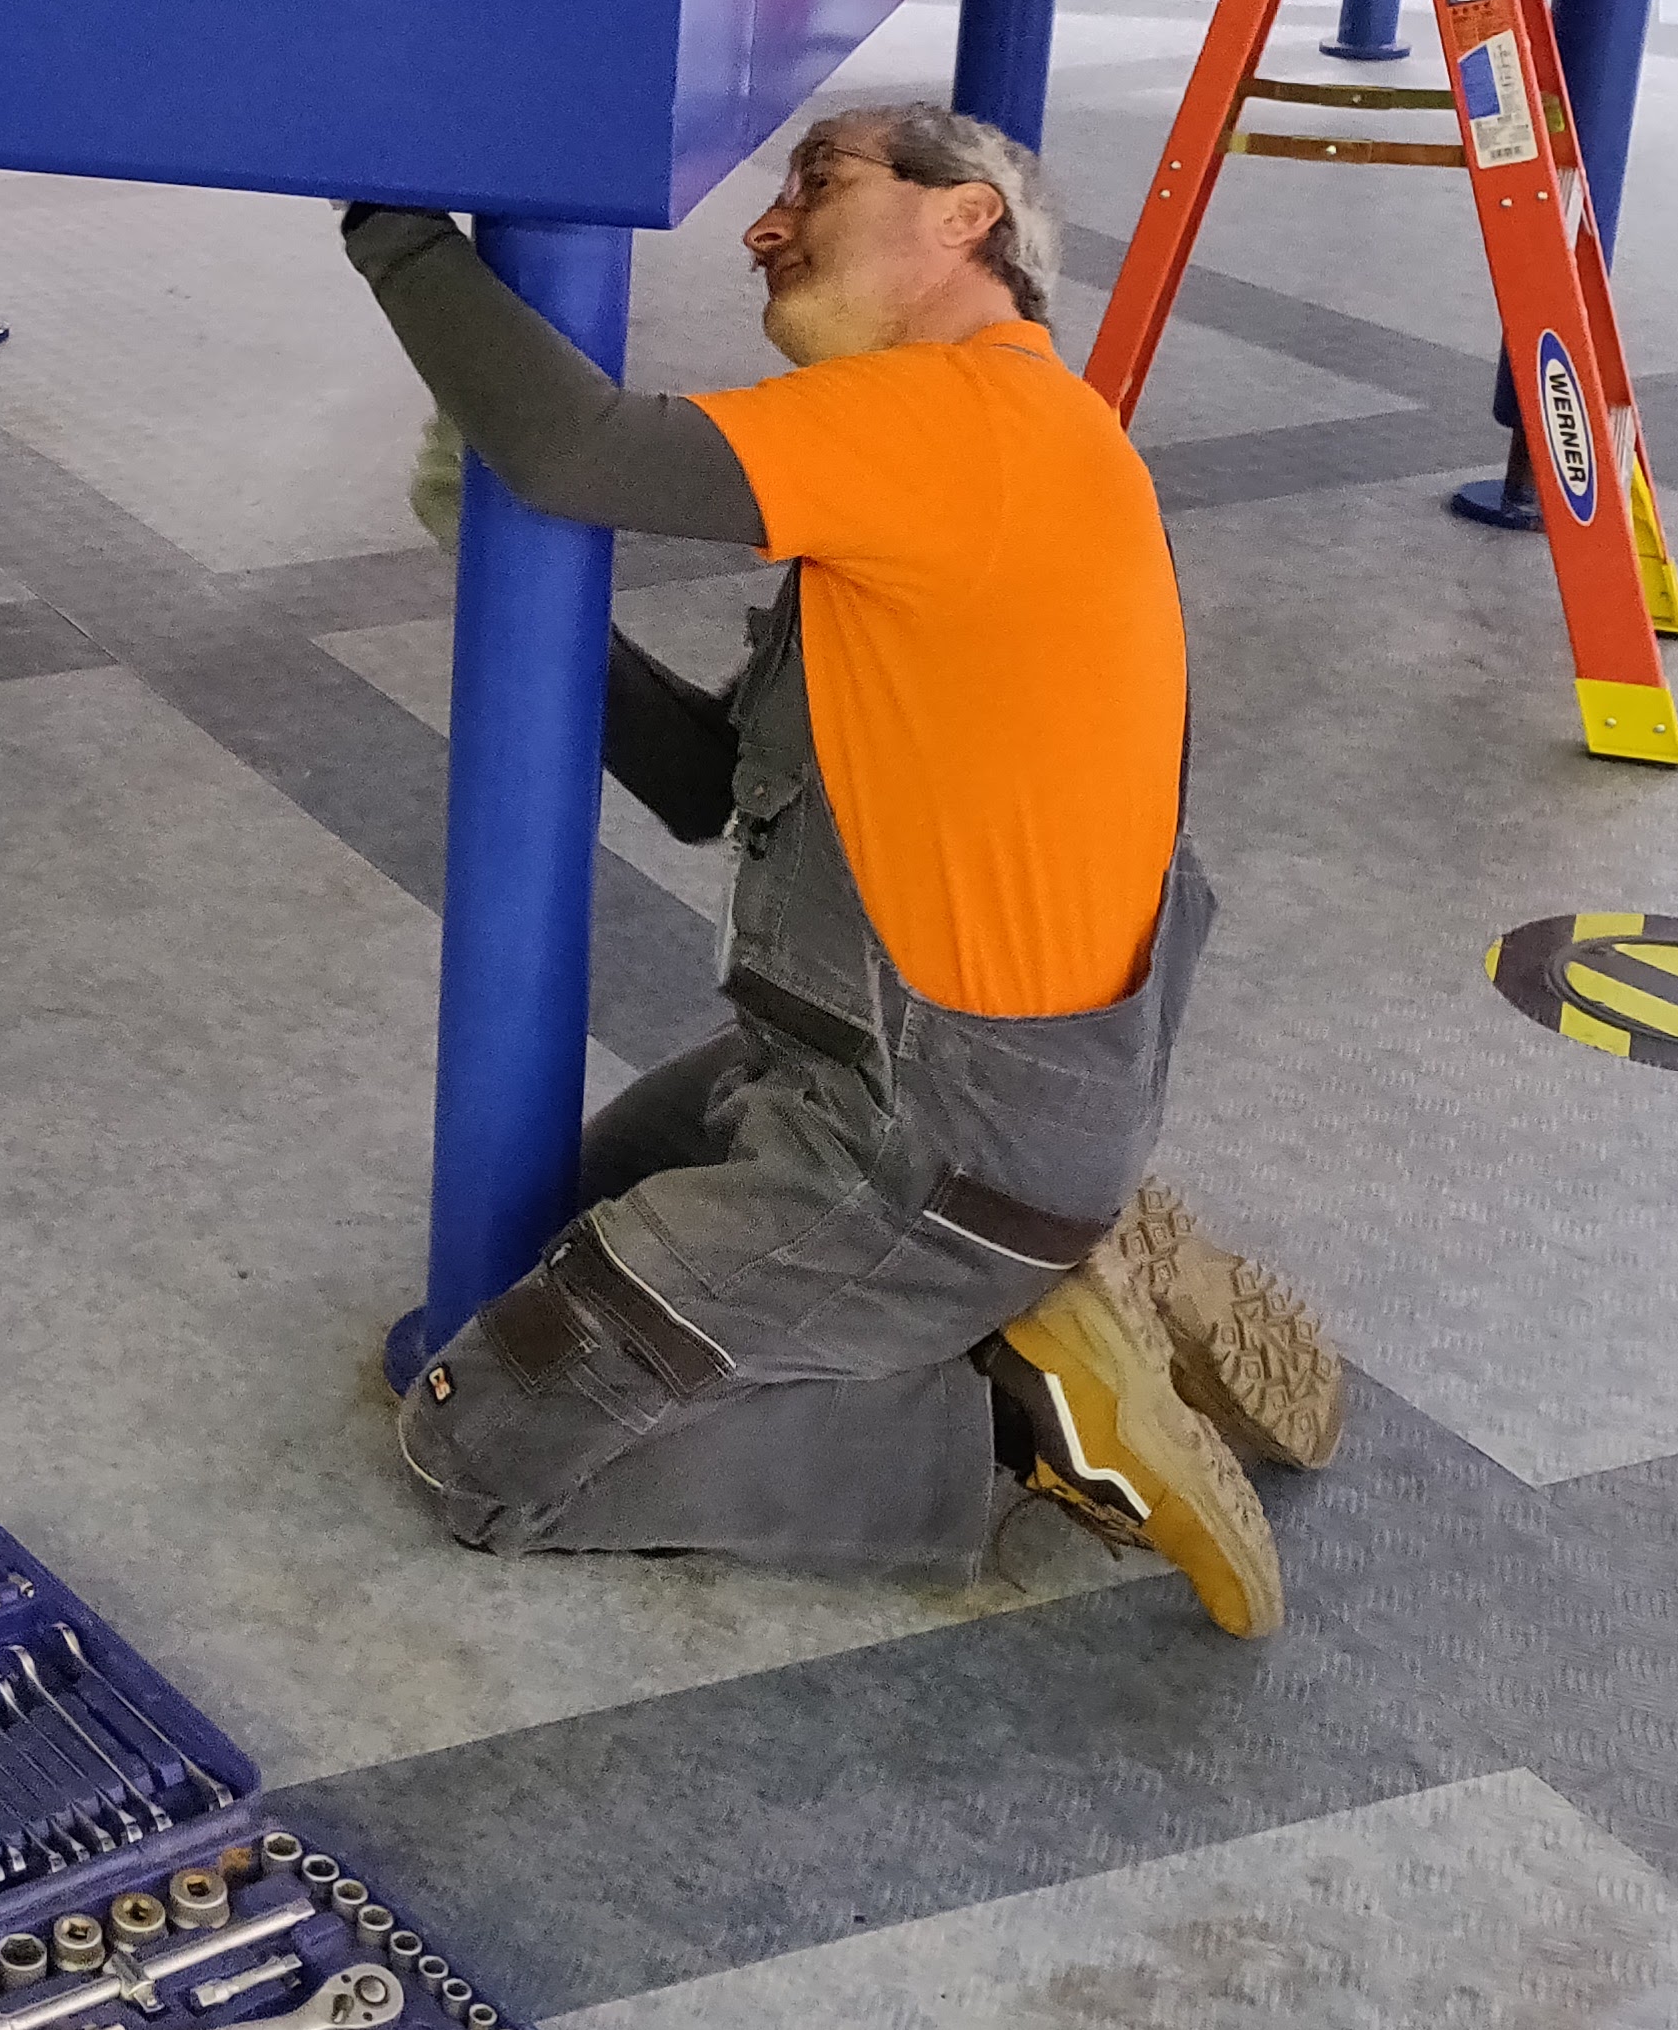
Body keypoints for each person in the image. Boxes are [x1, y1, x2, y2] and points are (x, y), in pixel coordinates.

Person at [341, 104, 1344, 1635]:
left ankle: (1011, 1419)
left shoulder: (968, 415)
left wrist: (385, 211)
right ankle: (1043, 1275)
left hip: (929, 1141)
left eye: (819, 181)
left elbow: (578, 446)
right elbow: (700, 786)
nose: (765, 227)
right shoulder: (972, 464)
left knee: (483, 1436)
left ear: (967, 217)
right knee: (534, 1244)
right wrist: (499, 569)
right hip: (879, 1081)